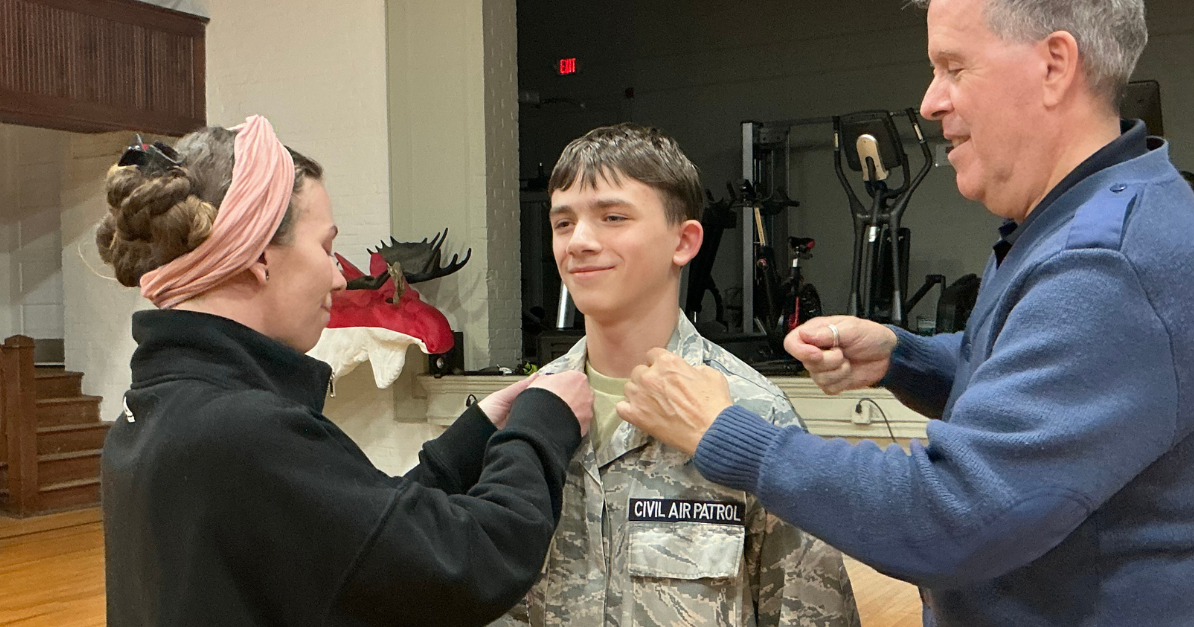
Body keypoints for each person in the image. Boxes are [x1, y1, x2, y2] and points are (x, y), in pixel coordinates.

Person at [616, 1, 1194, 626]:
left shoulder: (1106, 262)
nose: (929, 102)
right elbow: (1047, 389)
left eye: (953, 67)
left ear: (1054, 65)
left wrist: (725, 435)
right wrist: (906, 357)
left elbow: (957, 516)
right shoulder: (1066, 224)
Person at [98, 115, 594, 627]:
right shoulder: (244, 431)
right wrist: (541, 427)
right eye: (327, 247)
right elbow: (470, 563)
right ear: (260, 256)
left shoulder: (151, 420)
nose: (338, 276)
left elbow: (363, 538)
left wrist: (478, 434)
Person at [491, 124, 859, 627]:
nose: (578, 242)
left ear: (684, 241)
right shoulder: (523, 415)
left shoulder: (752, 415)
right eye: (562, 223)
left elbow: (810, 613)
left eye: (612, 217)